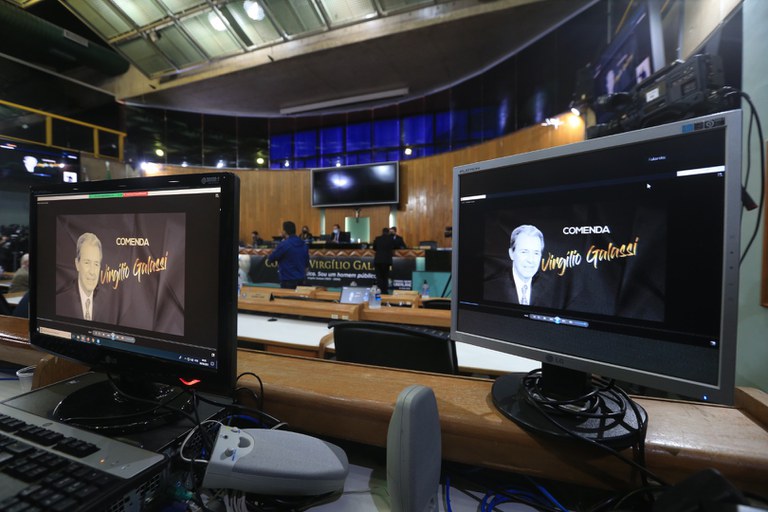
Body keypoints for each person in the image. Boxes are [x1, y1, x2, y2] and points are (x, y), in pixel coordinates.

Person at [484, 224, 555, 306]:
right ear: (511, 253)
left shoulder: (550, 289)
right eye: (524, 252)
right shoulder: (489, 289)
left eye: (536, 253)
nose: (530, 260)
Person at [56, 232, 113, 321]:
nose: (92, 272)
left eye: (96, 264)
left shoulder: (109, 303)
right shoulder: (59, 302)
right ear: (77, 264)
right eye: (87, 263)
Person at [267, 221, 309, 289]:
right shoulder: (303, 244)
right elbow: (307, 266)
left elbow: (271, 258)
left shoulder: (284, 244)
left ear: (284, 231)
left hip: (288, 281)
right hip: (301, 280)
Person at [372, 227, 395, 294]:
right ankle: (385, 291)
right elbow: (394, 247)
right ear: (388, 232)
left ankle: (379, 290)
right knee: (385, 276)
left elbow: (374, 248)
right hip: (386, 260)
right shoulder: (391, 239)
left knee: (379, 277)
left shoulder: (377, 238)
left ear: (382, 232)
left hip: (378, 260)